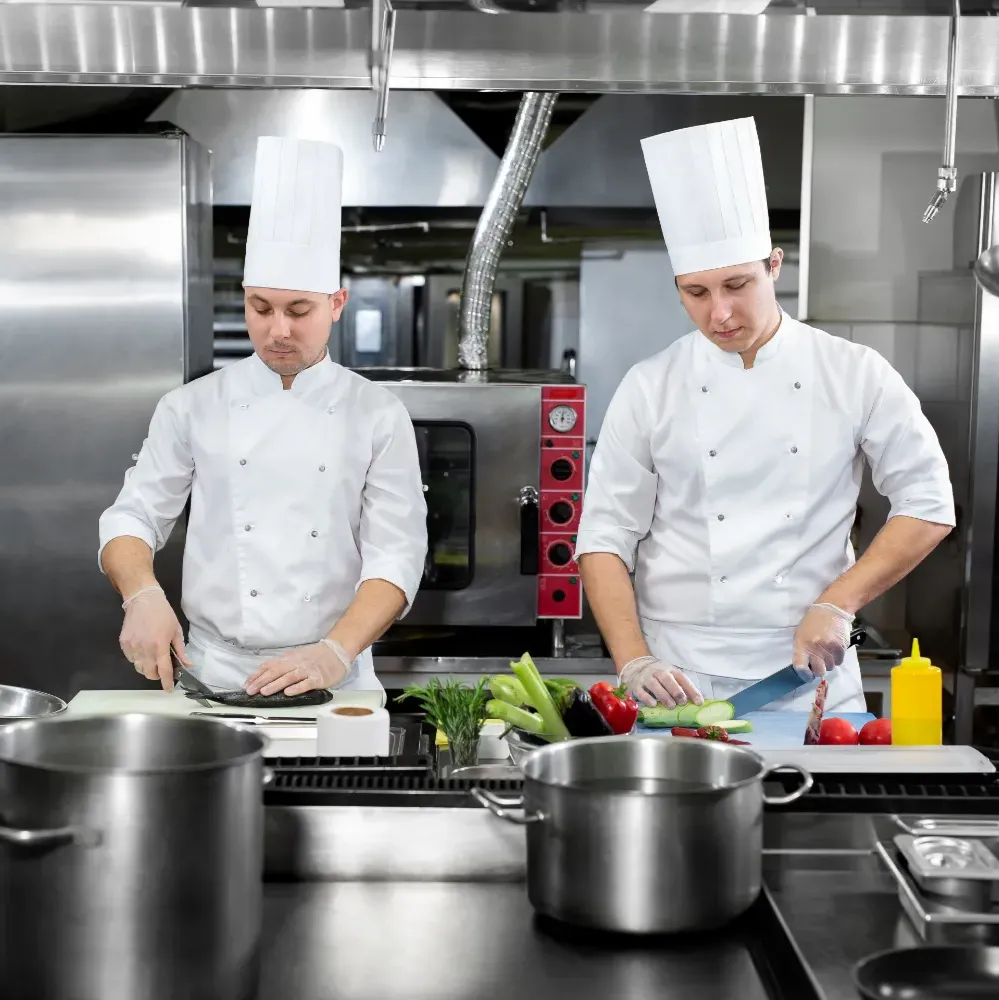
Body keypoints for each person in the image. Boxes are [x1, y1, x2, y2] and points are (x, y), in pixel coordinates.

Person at [575, 117, 954, 713]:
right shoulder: (651, 385)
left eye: (737, 284)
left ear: (775, 265)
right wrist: (633, 659)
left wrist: (837, 604)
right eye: (695, 293)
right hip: (675, 676)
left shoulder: (853, 371)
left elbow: (929, 505)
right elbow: (602, 537)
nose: (719, 313)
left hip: (809, 672)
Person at [99, 136, 427, 700]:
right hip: (211, 672)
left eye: (299, 310)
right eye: (261, 308)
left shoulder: (377, 413)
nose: (278, 330)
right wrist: (142, 596)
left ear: (336, 304)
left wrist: (335, 651)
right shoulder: (192, 406)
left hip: (335, 677)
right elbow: (131, 519)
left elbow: (397, 557)